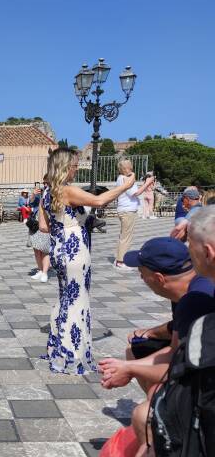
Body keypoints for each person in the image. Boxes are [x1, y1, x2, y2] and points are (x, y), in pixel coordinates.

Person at [96, 207, 215, 457]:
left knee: (148, 435)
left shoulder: (200, 298)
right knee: (143, 368)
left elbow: (180, 372)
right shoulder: (198, 288)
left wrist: (130, 369)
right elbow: (178, 337)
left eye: (142, 272)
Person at [99, 237, 215, 442]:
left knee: (144, 414)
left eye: (142, 274)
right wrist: (127, 366)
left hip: (206, 383)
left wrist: (129, 369)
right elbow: (174, 347)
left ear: (159, 278)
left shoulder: (195, 301)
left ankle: (167, 444)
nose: (141, 279)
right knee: (135, 350)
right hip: (198, 365)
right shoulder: (190, 287)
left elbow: (180, 365)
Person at [38, 148, 135, 374]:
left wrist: (66, 223)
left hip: (58, 248)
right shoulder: (67, 190)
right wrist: (126, 187)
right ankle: (72, 357)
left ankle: (57, 349)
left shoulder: (46, 193)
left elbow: (43, 226)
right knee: (77, 301)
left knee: (65, 299)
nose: (77, 169)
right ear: (64, 168)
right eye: (74, 166)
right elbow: (99, 201)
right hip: (75, 250)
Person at [113, 158, 153, 270]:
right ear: (126, 168)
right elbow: (135, 193)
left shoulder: (123, 178)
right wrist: (147, 183)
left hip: (126, 210)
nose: (131, 168)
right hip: (127, 210)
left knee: (124, 236)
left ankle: (118, 259)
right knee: (126, 237)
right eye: (130, 166)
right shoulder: (125, 179)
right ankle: (120, 262)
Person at [29, 175, 50, 283]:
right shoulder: (40, 194)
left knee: (45, 250)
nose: (45, 185)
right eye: (44, 183)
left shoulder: (52, 194)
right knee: (37, 249)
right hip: (35, 224)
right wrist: (33, 194)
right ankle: (40, 270)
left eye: (47, 183)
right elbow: (30, 203)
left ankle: (45, 272)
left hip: (46, 224)